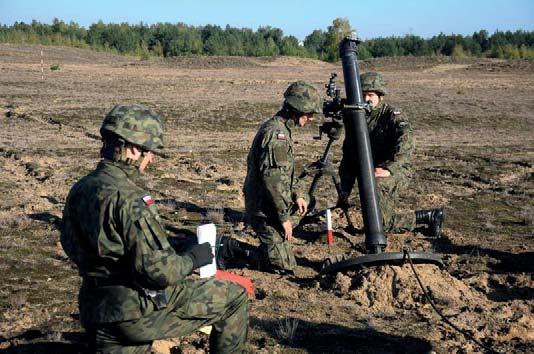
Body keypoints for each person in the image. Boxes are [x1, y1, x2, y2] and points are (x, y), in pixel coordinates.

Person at [61, 104, 248, 353]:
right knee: (234, 297)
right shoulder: (131, 199)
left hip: (96, 309)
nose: (150, 159)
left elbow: (71, 245)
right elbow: (161, 274)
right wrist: (194, 258)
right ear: (133, 149)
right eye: (149, 152)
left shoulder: (80, 189)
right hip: (135, 312)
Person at [337, 72, 444, 237]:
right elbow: (350, 155)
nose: (366, 99)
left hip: (396, 169)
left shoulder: (391, 115)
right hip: (371, 172)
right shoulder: (357, 118)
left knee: (379, 219)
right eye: (363, 95)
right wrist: (345, 188)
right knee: (374, 213)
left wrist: (389, 168)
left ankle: (427, 217)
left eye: (370, 95)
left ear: (380, 96)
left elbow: (406, 143)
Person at [243, 80, 323, 275]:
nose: (311, 119)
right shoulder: (276, 135)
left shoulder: (282, 130)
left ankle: (274, 243)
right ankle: (229, 250)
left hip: (273, 205)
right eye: (309, 113)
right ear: (297, 109)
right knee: (284, 266)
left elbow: (286, 174)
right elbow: (274, 183)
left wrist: (298, 194)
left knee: (308, 202)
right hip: (264, 211)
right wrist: (284, 219)